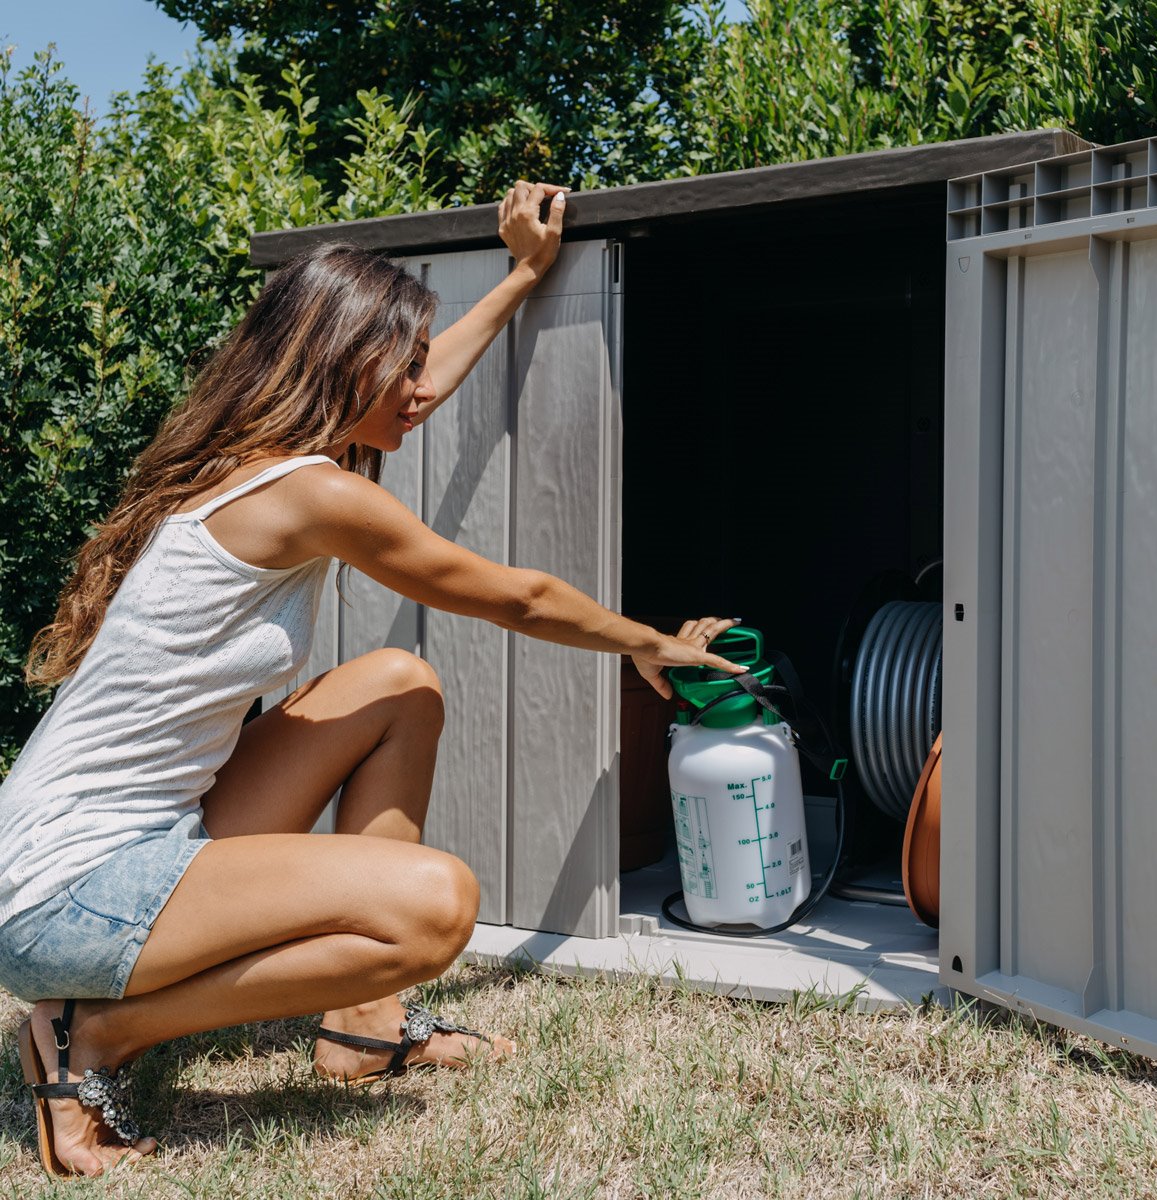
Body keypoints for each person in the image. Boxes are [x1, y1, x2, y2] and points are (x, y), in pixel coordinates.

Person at [0, 179, 746, 1178]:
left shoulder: (263, 466)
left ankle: (361, 1024)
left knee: (399, 683)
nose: (418, 389)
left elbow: (429, 383)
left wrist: (526, 273)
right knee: (437, 907)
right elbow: (514, 597)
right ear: (343, 365)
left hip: (127, 843)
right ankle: (94, 1033)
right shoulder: (309, 493)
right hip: (63, 891)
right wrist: (647, 641)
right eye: (398, 368)